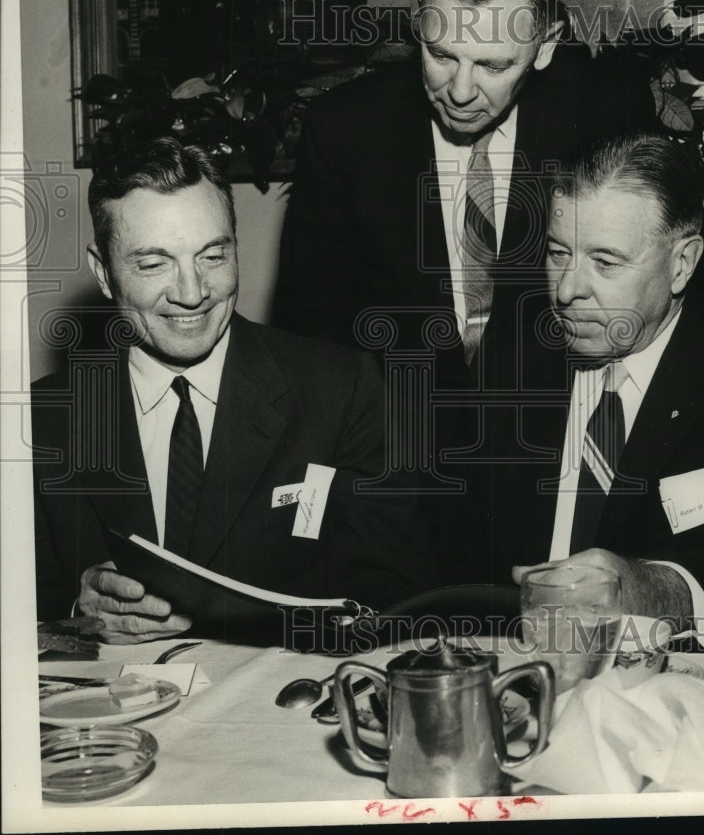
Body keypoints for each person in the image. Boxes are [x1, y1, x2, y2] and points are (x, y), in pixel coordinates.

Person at [273, 0, 704, 583]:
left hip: (552, 476)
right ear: (420, 15)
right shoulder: (344, 130)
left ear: (548, 45)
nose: (461, 91)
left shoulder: (602, 105)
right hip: (399, 479)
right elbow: (308, 334)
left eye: (494, 65)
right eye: (441, 54)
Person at [32, 138, 431, 643]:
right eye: (153, 264)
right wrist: (78, 611)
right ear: (103, 272)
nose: (192, 292)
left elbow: (394, 598)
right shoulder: (43, 418)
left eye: (213, 255)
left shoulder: (342, 390)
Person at [480, 133, 704, 635]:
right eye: (557, 253)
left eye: (605, 262)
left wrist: (650, 588)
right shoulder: (508, 364)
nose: (568, 290)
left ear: (682, 263)